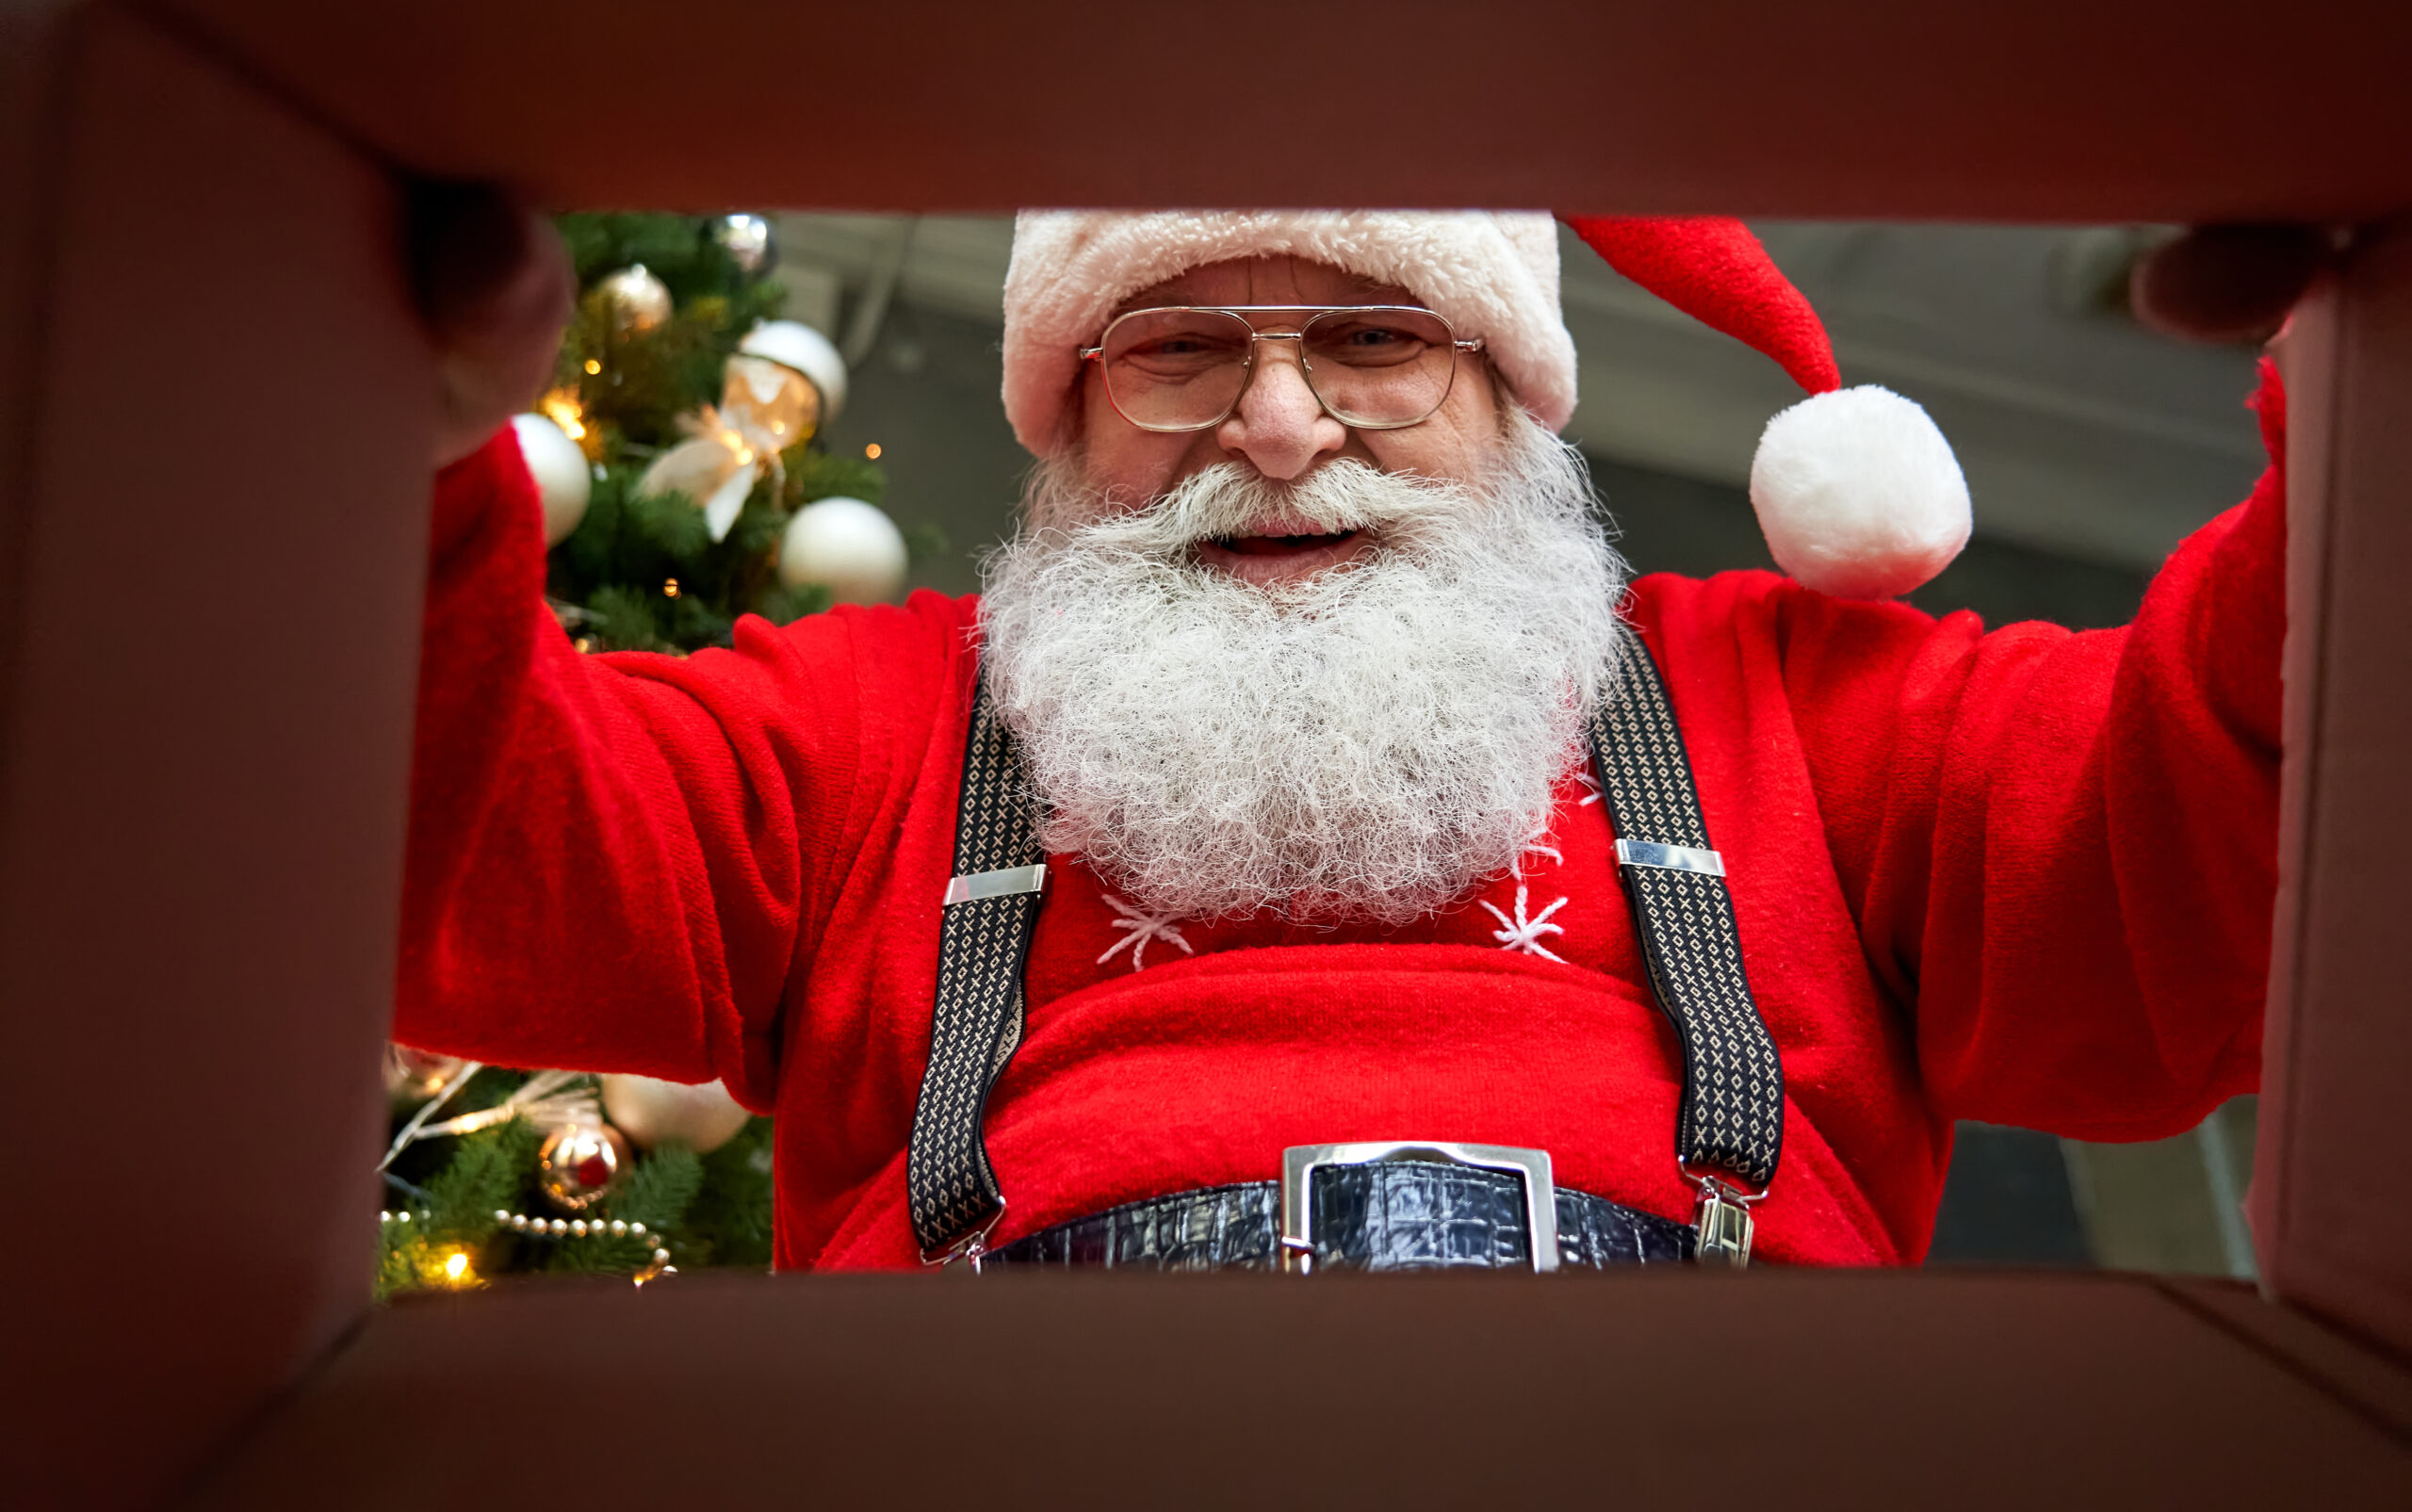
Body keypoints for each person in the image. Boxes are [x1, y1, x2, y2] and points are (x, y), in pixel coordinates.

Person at [399, 207, 2289, 1273]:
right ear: (1069, 423)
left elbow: (2193, 823)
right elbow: (459, 831)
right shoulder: (876, 720)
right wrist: (387, 421)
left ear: (1510, 404)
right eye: (1177, 351)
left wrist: (2367, 421)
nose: (1282, 425)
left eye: (1374, 338)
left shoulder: (1801, 697)